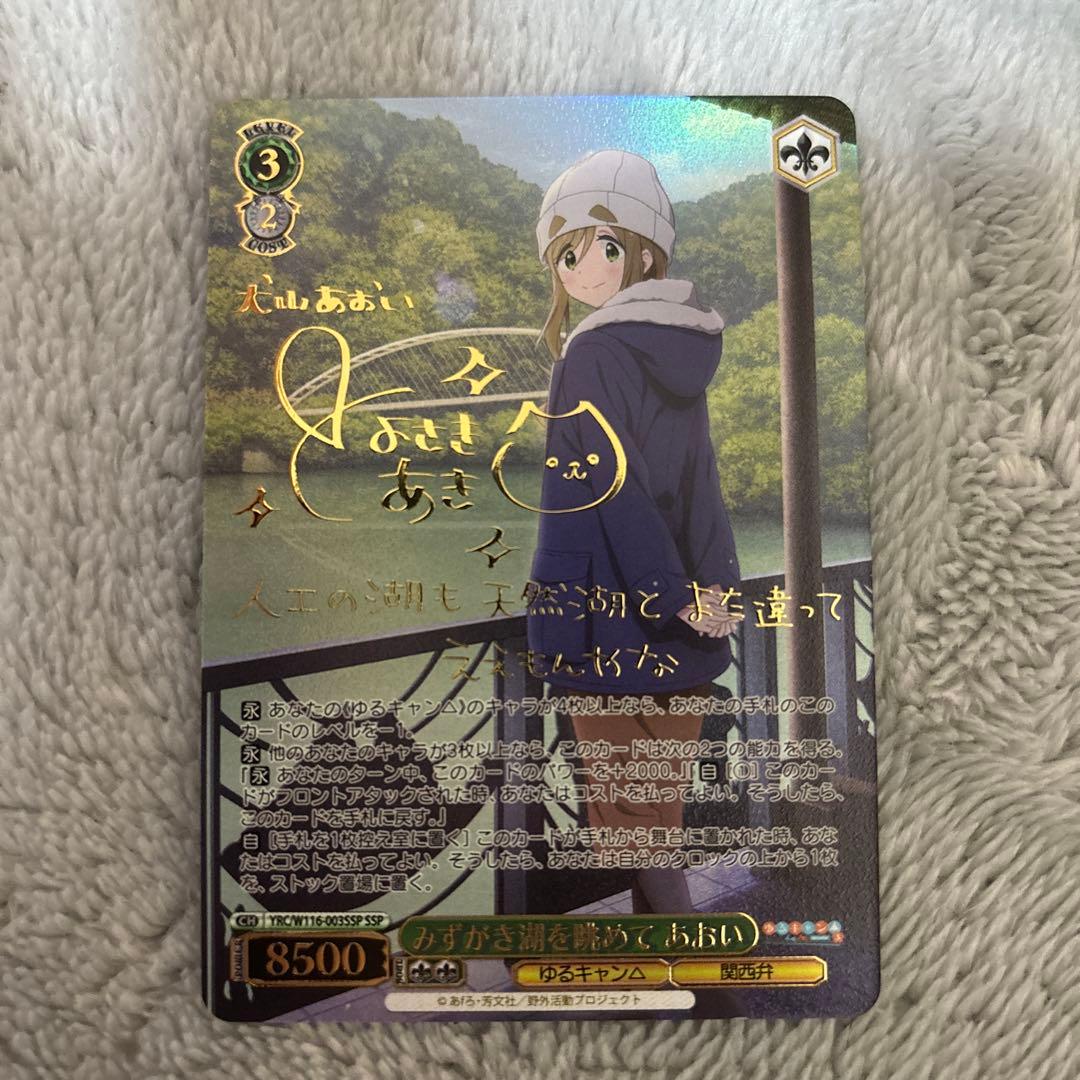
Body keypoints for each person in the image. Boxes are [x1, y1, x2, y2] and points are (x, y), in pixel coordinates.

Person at [527, 149, 742, 914]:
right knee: (657, 811)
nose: (584, 270)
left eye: (606, 247)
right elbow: (700, 486)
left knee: (629, 821)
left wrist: (668, 594)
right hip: (682, 626)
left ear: (646, 253)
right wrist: (711, 592)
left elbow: (610, 491)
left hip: (607, 623)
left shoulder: (591, 351)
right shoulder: (680, 347)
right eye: (568, 256)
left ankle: (685, 962)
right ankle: (672, 960)